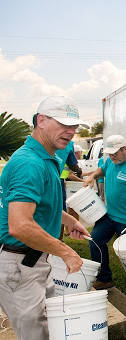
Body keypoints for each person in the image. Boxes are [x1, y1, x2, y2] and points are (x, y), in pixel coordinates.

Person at [0, 95, 91, 340]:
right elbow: (19, 225)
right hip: (19, 264)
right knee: (34, 335)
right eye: (64, 124)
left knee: (49, 326)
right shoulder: (29, 163)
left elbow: (41, 206)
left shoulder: (47, 156)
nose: (71, 131)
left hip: (37, 259)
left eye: (75, 127)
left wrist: (69, 221)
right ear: (41, 120)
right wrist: (66, 251)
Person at [84, 134, 126, 290]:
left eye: (115, 153)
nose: (112, 156)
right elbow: (102, 169)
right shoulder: (111, 161)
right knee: (95, 239)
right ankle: (104, 278)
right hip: (110, 215)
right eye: (110, 153)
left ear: (125, 149)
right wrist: (92, 176)